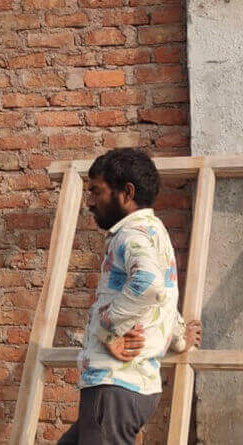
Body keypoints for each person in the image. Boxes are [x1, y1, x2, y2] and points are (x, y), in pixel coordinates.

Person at [59, 148, 201, 445]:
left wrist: (109, 328)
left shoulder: (131, 234)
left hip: (114, 385)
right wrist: (177, 337)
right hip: (123, 387)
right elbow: (163, 293)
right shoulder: (155, 233)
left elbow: (149, 285)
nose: (90, 202)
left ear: (127, 193)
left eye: (96, 191)